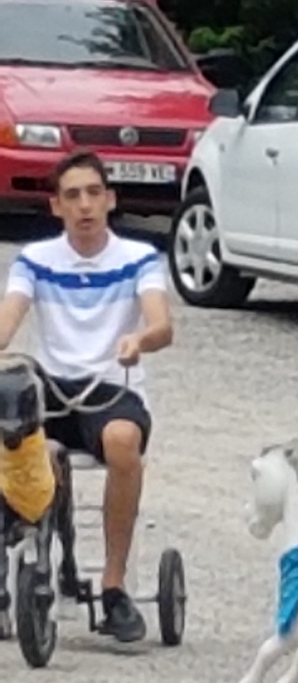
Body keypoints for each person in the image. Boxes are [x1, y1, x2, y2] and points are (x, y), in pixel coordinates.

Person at [0, 149, 172, 642]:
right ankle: (28, 559)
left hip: (112, 385)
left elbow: (161, 322)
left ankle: (113, 585)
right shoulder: (35, 260)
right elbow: (10, 315)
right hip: (53, 387)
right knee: (17, 437)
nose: (85, 206)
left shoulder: (138, 258)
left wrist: (140, 339)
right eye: (72, 196)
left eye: (94, 193)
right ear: (56, 206)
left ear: (110, 199)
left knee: (121, 443)